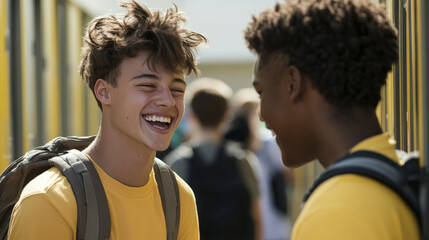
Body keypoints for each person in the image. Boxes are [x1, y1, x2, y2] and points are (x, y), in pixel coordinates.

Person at [8, 0, 206, 239]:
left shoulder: (178, 199)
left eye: (177, 89)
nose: (168, 100)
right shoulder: (49, 202)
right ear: (103, 92)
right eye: (148, 85)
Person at [244, 0, 420, 239]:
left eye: (261, 92)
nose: (261, 113)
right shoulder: (399, 171)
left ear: (293, 84)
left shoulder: (338, 211)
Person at [165, 78, 262, 240]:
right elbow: (257, 217)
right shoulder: (243, 160)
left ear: (191, 117)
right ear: (226, 117)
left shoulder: (177, 163)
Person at [225, 88, 292, 240]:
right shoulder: (235, 150)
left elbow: (290, 174)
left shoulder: (270, 143)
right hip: (254, 226)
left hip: (275, 225)